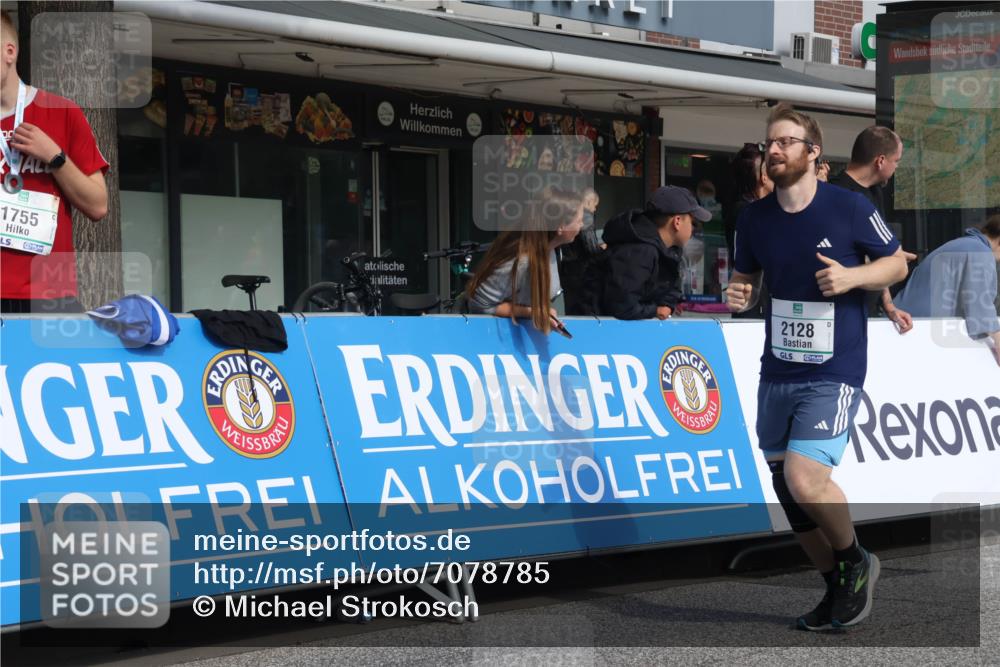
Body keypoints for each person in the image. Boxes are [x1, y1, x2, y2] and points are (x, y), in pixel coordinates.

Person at [727, 103, 908, 631]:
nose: (774, 151)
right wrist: (738, 294)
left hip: (836, 367)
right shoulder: (753, 218)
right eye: (769, 144)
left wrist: (852, 279)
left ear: (812, 153)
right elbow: (744, 281)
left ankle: (855, 559)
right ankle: (836, 585)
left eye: (785, 142)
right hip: (778, 368)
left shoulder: (847, 208)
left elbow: (896, 261)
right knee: (787, 487)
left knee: (807, 480)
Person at [0, 10, 109, 314]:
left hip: (48, 294)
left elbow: (98, 205)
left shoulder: (62, 112)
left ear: (9, 52)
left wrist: (55, 157)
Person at [830, 126, 914, 333]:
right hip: (836, 314)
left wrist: (889, 305)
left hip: (864, 310)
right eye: (896, 161)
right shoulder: (835, 195)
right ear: (881, 161)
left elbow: (880, 254)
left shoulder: (874, 193)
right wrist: (893, 258)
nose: (896, 168)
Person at [467, 188, 583, 335]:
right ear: (560, 227)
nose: (581, 225)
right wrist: (532, 312)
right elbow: (480, 304)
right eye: (579, 220)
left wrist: (544, 312)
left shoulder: (551, 250)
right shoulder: (521, 261)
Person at [891, 214, 1000, 366]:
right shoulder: (980, 252)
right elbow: (979, 303)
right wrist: (997, 339)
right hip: (918, 330)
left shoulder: (963, 244)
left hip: (903, 324)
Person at [596, 185, 710, 320]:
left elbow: (671, 288)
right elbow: (622, 306)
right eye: (693, 223)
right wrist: (655, 310)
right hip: (600, 332)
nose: (693, 229)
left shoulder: (670, 250)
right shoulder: (639, 251)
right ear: (677, 222)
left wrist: (667, 305)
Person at [725, 142, 774, 318]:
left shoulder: (744, 208)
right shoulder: (748, 212)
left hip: (756, 298)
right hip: (753, 301)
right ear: (763, 176)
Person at [559, 187, 603, 315]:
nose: (595, 209)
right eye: (595, 205)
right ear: (589, 202)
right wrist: (604, 251)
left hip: (568, 268)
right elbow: (591, 248)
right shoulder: (587, 217)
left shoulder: (569, 215)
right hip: (582, 270)